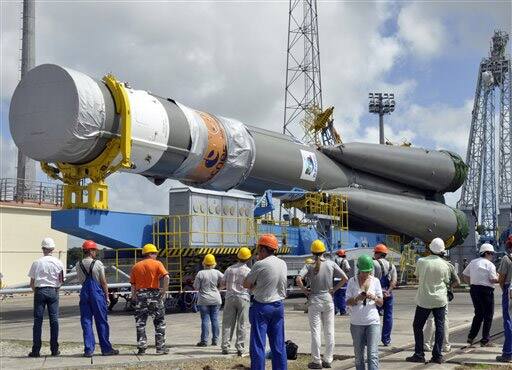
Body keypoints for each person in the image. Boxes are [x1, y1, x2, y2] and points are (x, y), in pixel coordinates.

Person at [296, 240, 348, 369]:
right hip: (328, 300)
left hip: (314, 300)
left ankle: (316, 360)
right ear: (324, 251)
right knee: (329, 331)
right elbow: (345, 278)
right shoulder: (331, 264)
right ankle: (328, 359)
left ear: (312, 252)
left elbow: (298, 279)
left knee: (316, 332)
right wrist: (334, 289)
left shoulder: (309, 265)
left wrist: (304, 290)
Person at [243, 234, 288, 370]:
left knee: (258, 344)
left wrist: (255, 285)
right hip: (278, 306)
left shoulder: (260, 264)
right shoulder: (282, 263)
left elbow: (246, 283)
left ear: (262, 249)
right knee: (278, 344)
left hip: (262, 306)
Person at [406, 238, 451, 364]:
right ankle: (437, 355)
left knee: (417, 326)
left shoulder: (422, 261)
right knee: (440, 326)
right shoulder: (445, 264)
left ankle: (419, 354)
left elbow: (417, 275)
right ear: (442, 250)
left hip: (424, 299)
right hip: (440, 299)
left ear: (430, 248)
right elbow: (447, 280)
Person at [76, 240, 119, 357]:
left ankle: (89, 349)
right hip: (97, 293)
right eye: (94, 250)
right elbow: (103, 282)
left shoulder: (78, 264)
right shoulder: (98, 263)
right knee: (101, 321)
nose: (95, 252)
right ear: (91, 251)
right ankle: (106, 349)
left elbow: (80, 280)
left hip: (84, 293)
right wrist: (107, 296)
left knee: (86, 321)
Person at [27, 238, 64, 357]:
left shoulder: (36, 262)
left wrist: (37, 291)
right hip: (53, 291)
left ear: (43, 248)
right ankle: (54, 349)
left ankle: (36, 350)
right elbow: (61, 280)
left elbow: (31, 283)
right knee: (54, 321)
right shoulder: (58, 262)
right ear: (53, 249)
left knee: (38, 321)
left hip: (40, 291)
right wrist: (55, 289)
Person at [130, 243, 170, 355]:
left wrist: (134, 296)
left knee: (140, 323)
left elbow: (133, 285)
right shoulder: (157, 264)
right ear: (150, 253)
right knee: (159, 322)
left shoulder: (136, 266)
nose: (156, 255)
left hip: (140, 296)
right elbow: (166, 276)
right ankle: (160, 348)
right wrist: (164, 290)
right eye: (155, 253)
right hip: (154, 295)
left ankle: (142, 349)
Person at [346, 254, 383, 370]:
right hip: (356, 323)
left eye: (367, 272)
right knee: (358, 356)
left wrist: (374, 298)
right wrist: (357, 299)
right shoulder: (352, 281)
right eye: (363, 272)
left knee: (372, 355)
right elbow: (347, 302)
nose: (365, 274)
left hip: (372, 322)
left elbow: (381, 303)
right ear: (358, 269)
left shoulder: (375, 281)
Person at [462, 243, 498, 347]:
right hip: (486, 291)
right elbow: (492, 279)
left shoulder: (473, 262)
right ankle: (485, 340)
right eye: (491, 253)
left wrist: (471, 283)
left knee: (478, 314)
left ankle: (471, 337)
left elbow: (464, 275)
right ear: (487, 253)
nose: (492, 256)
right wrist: (498, 277)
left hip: (474, 289)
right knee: (488, 315)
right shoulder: (490, 264)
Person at [423, 257, 460, 352]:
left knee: (430, 319)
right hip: (442, 296)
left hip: (429, 295)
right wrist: (448, 286)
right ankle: (445, 346)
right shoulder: (448, 265)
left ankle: (426, 344)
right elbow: (457, 281)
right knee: (443, 319)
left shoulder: (426, 264)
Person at [221, 247, 252, 356]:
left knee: (227, 323)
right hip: (243, 298)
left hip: (229, 298)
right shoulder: (248, 271)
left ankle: (225, 346)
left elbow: (222, 283)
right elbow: (251, 286)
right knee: (242, 323)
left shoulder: (229, 269)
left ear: (238, 257)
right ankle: (240, 348)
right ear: (248, 258)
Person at [194, 253, 224, 347]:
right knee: (215, 319)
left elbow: (196, 287)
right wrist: (219, 289)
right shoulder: (217, 272)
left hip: (203, 300)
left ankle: (204, 341)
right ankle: (215, 340)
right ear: (214, 263)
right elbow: (226, 281)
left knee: (205, 320)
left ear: (204, 263)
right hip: (215, 298)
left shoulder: (200, 273)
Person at [372, 243, 397, 346]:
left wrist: (380, 292)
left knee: (373, 316)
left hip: (377, 295)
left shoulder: (374, 263)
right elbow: (394, 281)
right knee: (388, 317)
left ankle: (372, 338)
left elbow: (371, 279)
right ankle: (386, 339)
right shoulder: (392, 265)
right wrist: (388, 291)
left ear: (378, 254)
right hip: (388, 294)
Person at [497, 235, 512, 363]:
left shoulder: (506, 259)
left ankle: (508, 353)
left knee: (508, 321)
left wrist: (505, 290)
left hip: (509, 290)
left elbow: (501, 279)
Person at [333, 249, 351, 316]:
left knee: (335, 295)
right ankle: (343, 311)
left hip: (335, 280)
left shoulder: (334, 260)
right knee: (342, 295)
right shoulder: (345, 261)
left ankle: (335, 310)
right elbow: (348, 269)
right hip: (343, 279)